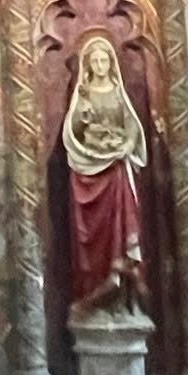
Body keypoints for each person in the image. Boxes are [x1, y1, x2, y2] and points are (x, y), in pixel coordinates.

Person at [61, 32, 148, 316]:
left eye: (104, 60)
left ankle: (121, 294)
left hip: (116, 171)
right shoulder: (83, 94)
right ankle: (93, 294)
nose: (100, 66)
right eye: (95, 61)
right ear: (88, 65)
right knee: (92, 238)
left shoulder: (117, 92)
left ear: (111, 63)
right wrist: (83, 117)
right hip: (89, 169)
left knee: (119, 229)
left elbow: (131, 125)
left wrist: (126, 144)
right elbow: (73, 131)